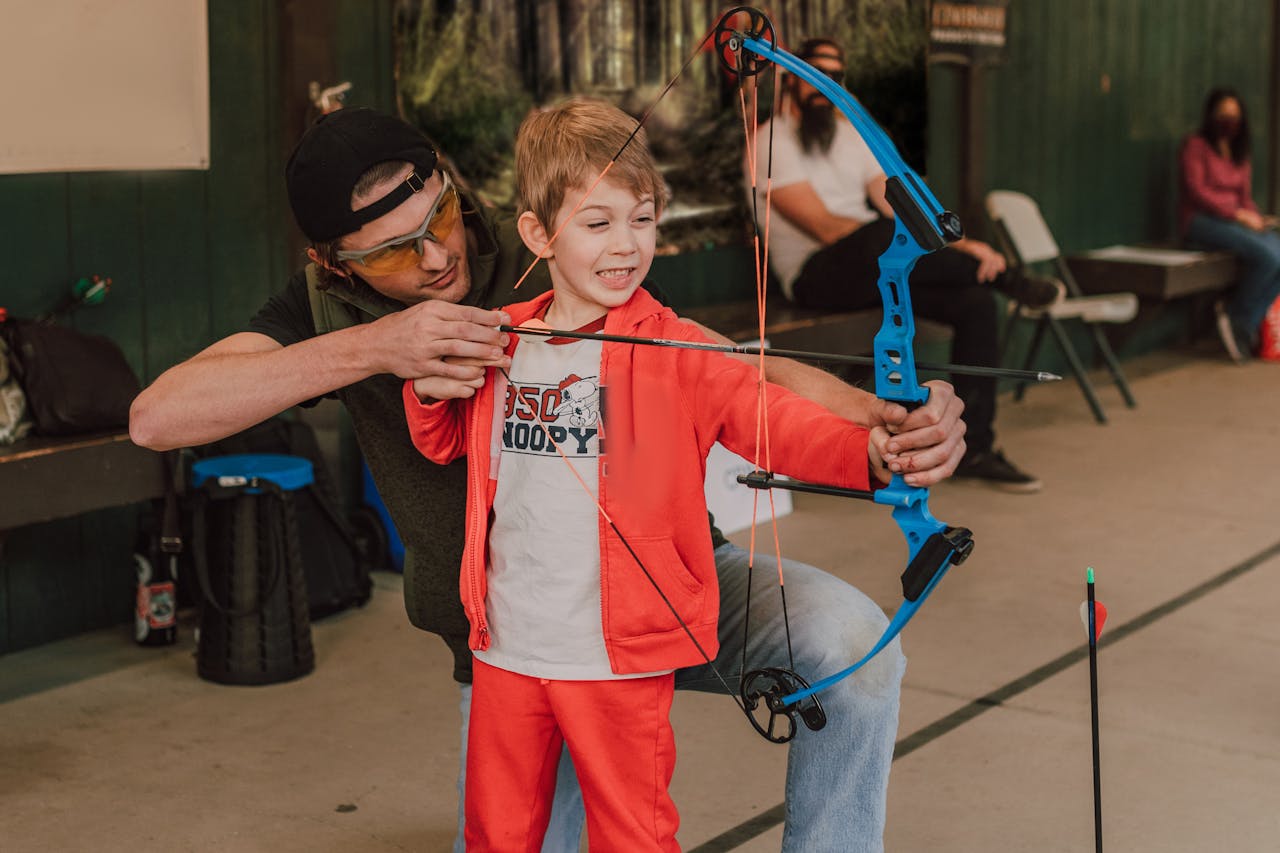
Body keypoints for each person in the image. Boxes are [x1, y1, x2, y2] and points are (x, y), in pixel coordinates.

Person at [129, 106, 966, 852]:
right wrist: (384, 348)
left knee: (855, 650)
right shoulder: (321, 308)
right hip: (510, 641)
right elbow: (157, 418)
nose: (434, 255)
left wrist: (879, 423)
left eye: (442, 216)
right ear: (334, 263)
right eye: (390, 251)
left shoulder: (566, 242)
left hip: (661, 591)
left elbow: (724, 366)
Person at [406, 96, 899, 849]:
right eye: (598, 223)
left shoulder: (676, 350)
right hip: (505, 643)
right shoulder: (503, 341)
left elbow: (768, 416)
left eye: (643, 219)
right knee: (495, 833)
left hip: (618, 654)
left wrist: (865, 452)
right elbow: (445, 441)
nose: (626, 245)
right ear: (538, 233)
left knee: (632, 831)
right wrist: (427, 389)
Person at [744, 38, 1058, 494]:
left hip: (875, 266)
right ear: (793, 78)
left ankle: (979, 448)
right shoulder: (769, 142)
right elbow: (827, 228)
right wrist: (911, 244)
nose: (825, 84)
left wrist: (967, 248)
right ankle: (1014, 282)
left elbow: (900, 209)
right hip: (816, 275)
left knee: (975, 302)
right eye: (816, 74)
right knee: (876, 237)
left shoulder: (851, 136)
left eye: (835, 75)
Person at [1179, 86, 1280, 363]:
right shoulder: (1196, 146)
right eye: (1223, 114)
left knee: (1277, 251)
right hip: (1202, 222)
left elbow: (1244, 197)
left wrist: (1256, 218)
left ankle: (1243, 322)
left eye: (1234, 116)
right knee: (1269, 257)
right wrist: (1238, 215)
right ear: (1211, 115)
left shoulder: (1239, 152)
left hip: (1236, 223)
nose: (1229, 121)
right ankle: (1238, 320)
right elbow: (1197, 191)